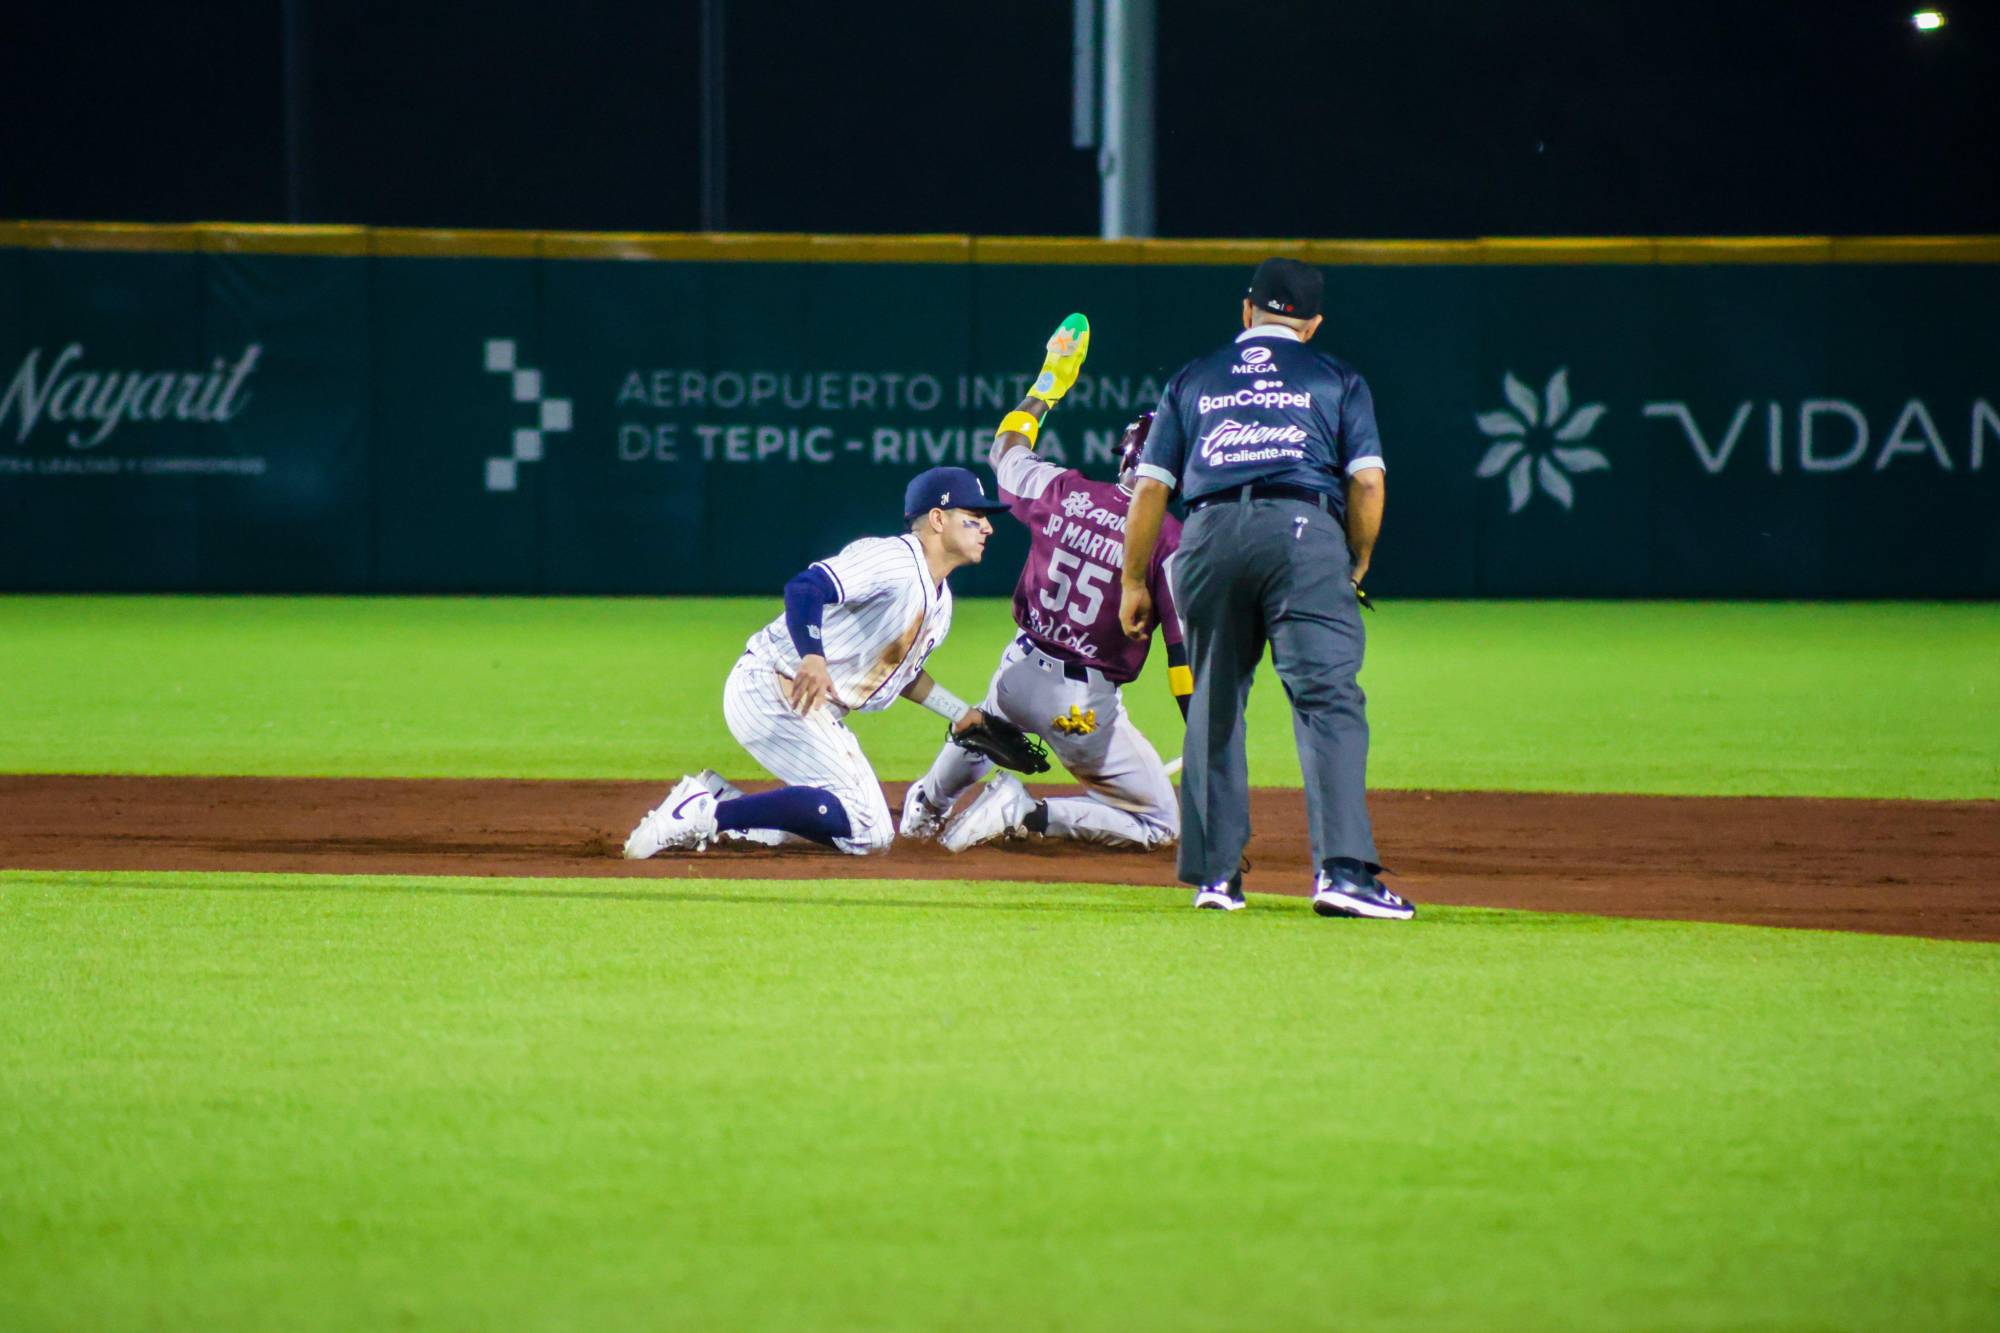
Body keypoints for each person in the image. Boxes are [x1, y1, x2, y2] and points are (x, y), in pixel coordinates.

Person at [1117, 257, 1413, 919]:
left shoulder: (1193, 377)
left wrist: (1134, 579)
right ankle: (1343, 873)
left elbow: (1151, 489)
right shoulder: (1336, 377)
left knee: (1214, 703)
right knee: (1326, 699)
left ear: (1246, 311)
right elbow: (1367, 482)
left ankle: (1215, 879)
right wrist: (1357, 561)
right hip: (1304, 532)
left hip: (1208, 535)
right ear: (1312, 324)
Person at [902, 315, 1193, 853]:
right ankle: (1029, 812)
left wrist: (1047, 385)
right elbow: (1183, 657)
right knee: (1160, 823)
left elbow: (1005, 449)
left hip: (1018, 670)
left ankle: (927, 805)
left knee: (990, 722)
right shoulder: (1169, 541)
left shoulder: (1063, 490)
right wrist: (1202, 731)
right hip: (1081, 706)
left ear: (1127, 457)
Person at [621, 465, 1010, 858]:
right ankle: (703, 813)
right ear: (938, 519)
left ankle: (724, 803)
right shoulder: (893, 560)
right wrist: (812, 655)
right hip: (774, 687)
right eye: (975, 516)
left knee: (867, 830)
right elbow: (806, 587)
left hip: (800, 702)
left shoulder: (941, 604)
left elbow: (899, 673)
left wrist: (960, 713)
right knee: (868, 828)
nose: (988, 528)